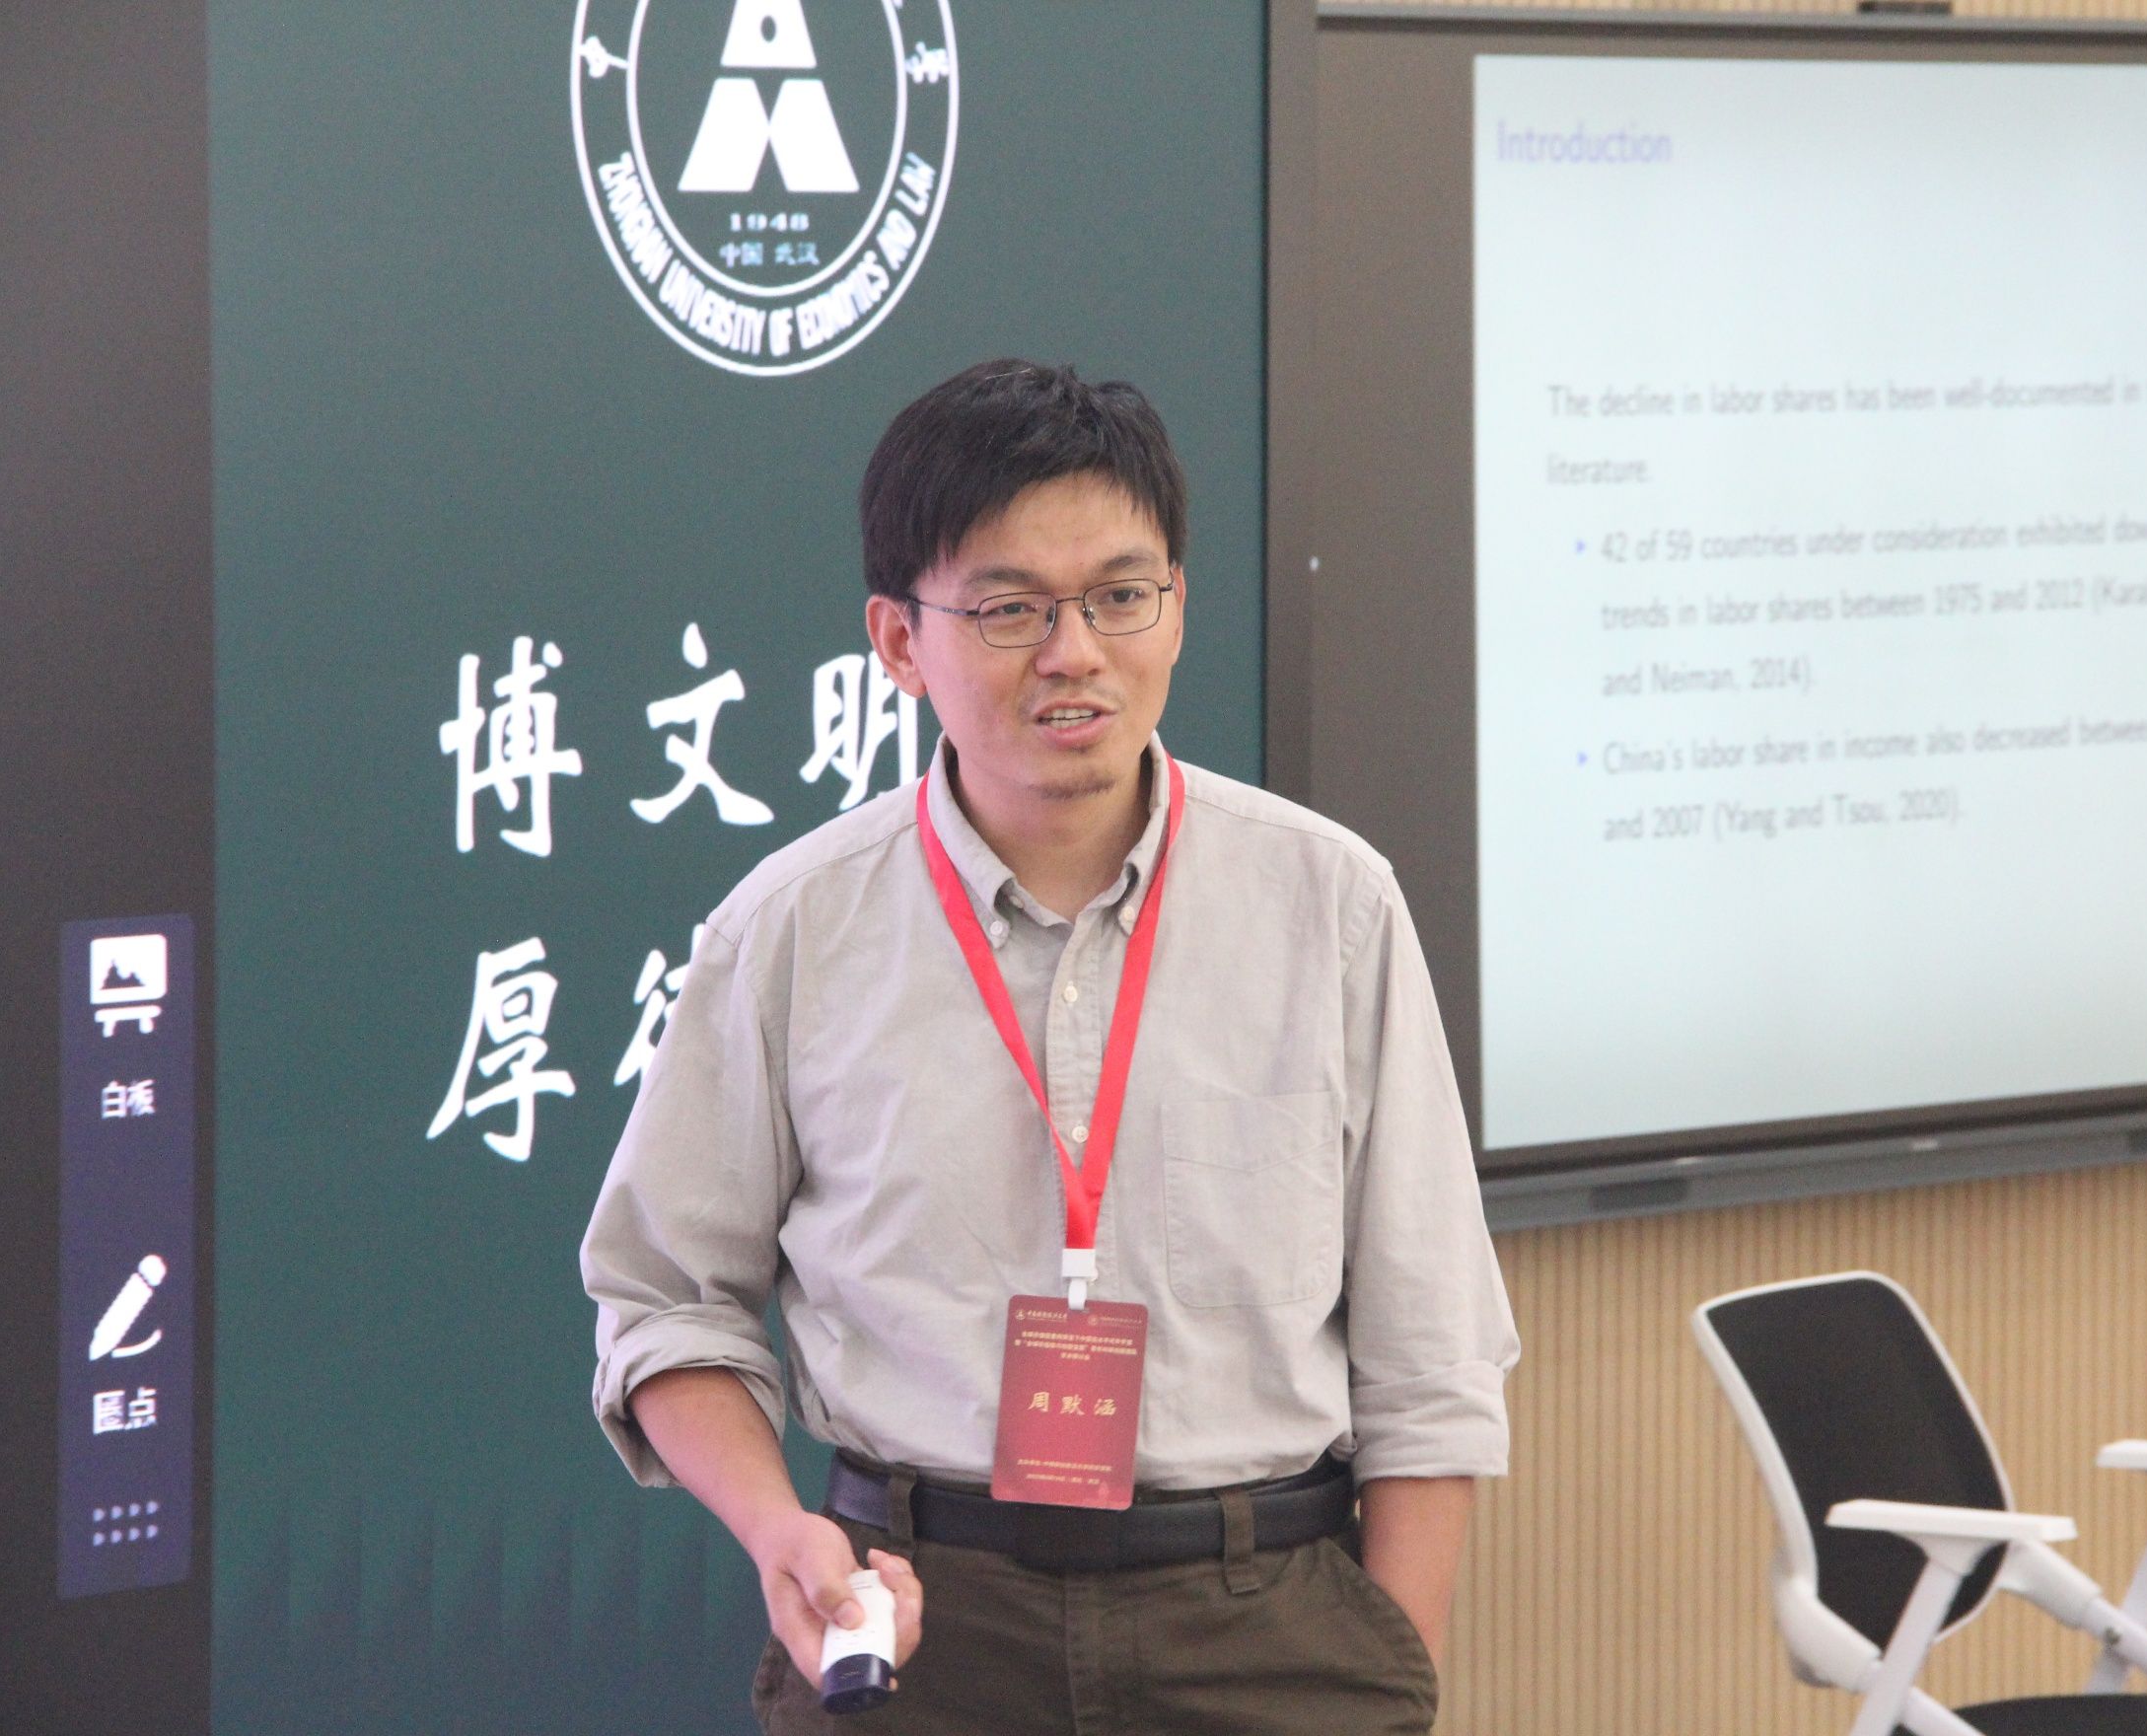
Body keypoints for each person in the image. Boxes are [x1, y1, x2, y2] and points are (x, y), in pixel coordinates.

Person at [581, 359, 1518, 1734]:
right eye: (1010, 609)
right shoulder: (790, 930)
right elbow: (665, 1301)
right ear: (899, 643)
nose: (1075, 652)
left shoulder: (1331, 904)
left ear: (1177, 608)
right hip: (921, 1616)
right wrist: (781, 1533)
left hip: (1265, 1617)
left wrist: (1391, 1659)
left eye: (1120, 596)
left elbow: (1430, 1348)